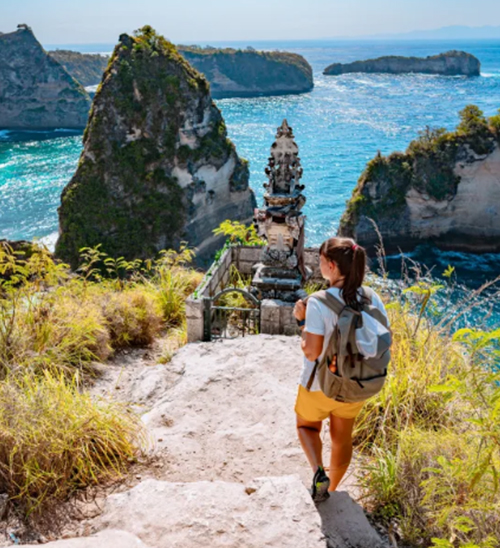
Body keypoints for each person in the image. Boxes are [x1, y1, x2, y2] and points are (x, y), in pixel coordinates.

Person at [293, 237, 389, 503]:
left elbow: (312, 351)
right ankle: (332, 491)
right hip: (358, 383)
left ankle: (318, 473)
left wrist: (301, 323)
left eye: (321, 261)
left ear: (332, 266)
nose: (319, 265)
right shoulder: (372, 297)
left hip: (320, 385)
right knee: (342, 437)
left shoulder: (318, 302)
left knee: (306, 427)